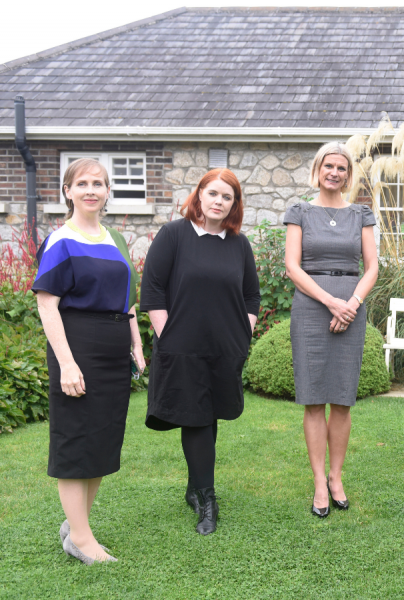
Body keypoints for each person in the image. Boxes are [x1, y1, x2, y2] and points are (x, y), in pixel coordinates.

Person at [33, 158, 145, 565]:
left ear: (107, 191)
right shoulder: (60, 239)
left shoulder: (114, 237)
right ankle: (81, 538)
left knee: (101, 437)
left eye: (98, 183)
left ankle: (76, 524)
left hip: (114, 346)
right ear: (68, 191)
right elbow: (48, 306)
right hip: (77, 343)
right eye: (82, 183)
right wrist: (67, 363)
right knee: (76, 438)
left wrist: (136, 344)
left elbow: (128, 300)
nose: (91, 190)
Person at [140, 168, 261, 535]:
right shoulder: (174, 235)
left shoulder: (238, 244)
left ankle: (194, 488)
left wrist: (244, 332)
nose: (219, 202)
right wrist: (168, 336)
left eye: (227, 197)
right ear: (199, 195)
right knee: (193, 415)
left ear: (234, 204)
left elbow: (251, 295)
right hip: (182, 347)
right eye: (213, 194)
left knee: (209, 415)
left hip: (224, 347)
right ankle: (207, 499)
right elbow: (153, 289)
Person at [284, 142, 378, 518]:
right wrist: (330, 302)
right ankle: (319, 482)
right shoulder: (300, 211)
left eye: (342, 167)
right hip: (311, 306)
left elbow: (372, 266)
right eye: (329, 166)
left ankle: (337, 478)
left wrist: (351, 304)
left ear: (348, 174)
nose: (335, 172)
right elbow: (293, 266)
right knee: (313, 398)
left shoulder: (362, 214)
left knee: (341, 397)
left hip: (351, 303)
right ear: (318, 170)